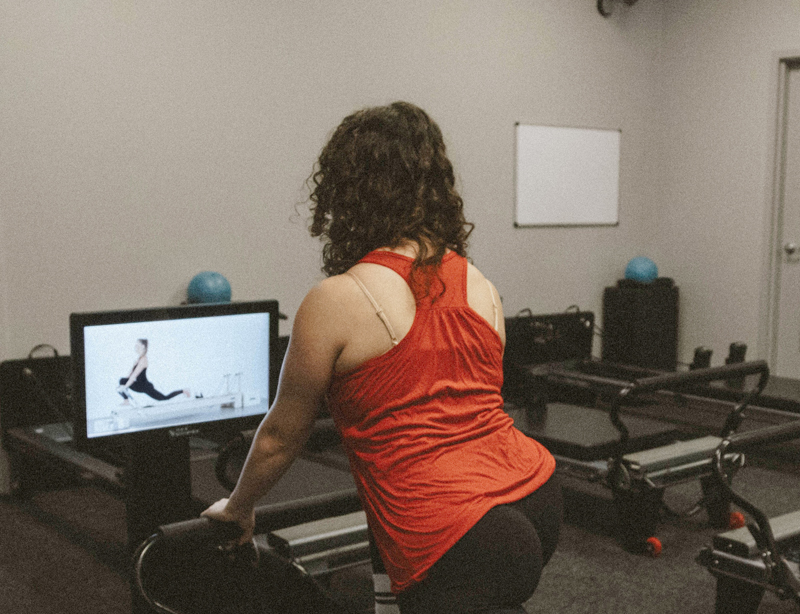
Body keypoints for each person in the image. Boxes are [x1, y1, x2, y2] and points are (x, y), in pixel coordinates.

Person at [202, 101, 562, 613]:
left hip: (455, 527)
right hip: (535, 495)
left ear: (345, 193)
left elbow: (282, 436)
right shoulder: (480, 285)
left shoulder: (336, 299)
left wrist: (239, 508)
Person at [118, 339, 190, 404]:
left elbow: (134, 376)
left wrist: (125, 387)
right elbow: (129, 376)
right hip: (139, 385)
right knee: (122, 380)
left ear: (143, 346)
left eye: (137, 345)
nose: (135, 347)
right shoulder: (138, 360)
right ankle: (126, 401)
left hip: (145, 386)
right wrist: (122, 387)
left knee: (164, 398)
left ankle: (183, 391)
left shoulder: (144, 360)